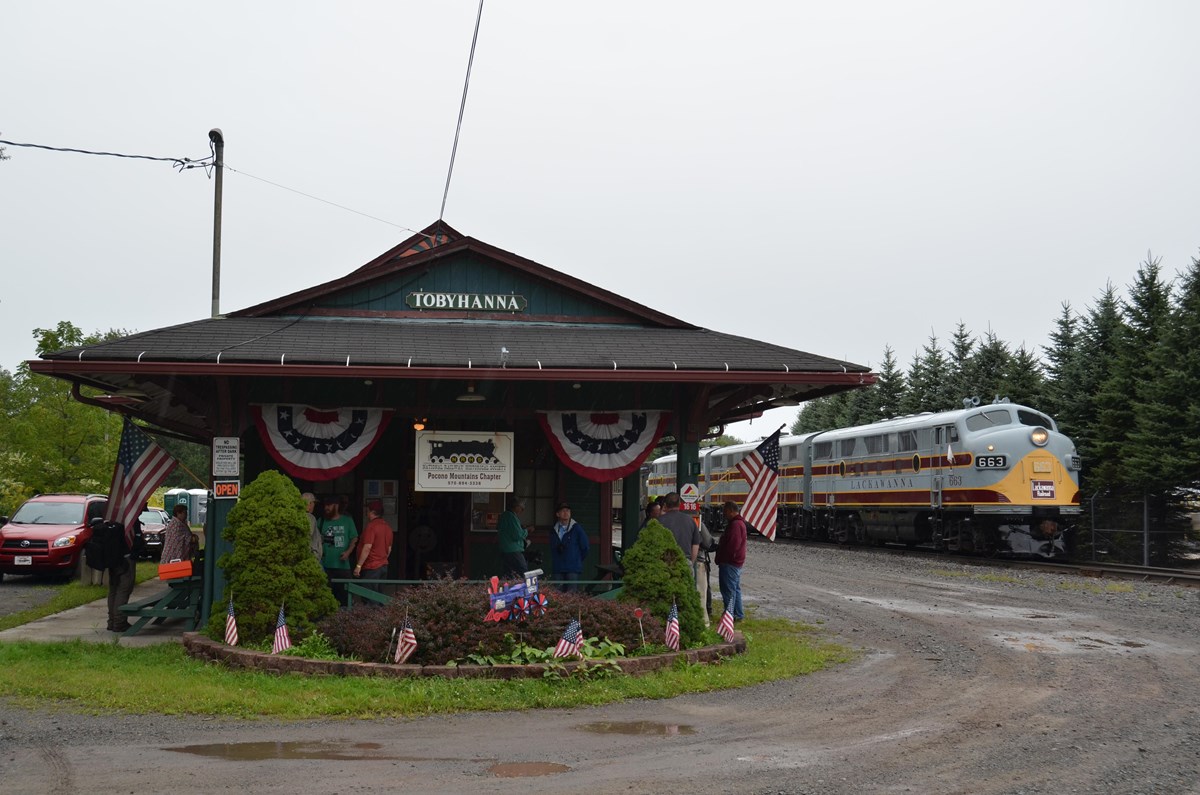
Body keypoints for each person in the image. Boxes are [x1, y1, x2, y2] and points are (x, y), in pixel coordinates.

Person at [353, 499, 393, 601]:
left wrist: (358, 566)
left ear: (372, 512)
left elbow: (367, 547)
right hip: (383, 566)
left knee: (369, 598)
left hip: (371, 567)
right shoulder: (387, 527)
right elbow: (389, 549)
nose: (366, 512)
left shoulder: (371, 526)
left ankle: (370, 616)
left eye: (368, 510)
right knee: (379, 596)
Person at [321, 496, 358, 604]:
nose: (326, 508)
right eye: (325, 505)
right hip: (325, 565)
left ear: (336, 506)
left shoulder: (347, 520)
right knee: (326, 597)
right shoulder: (322, 521)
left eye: (329, 505)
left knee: (345, 597)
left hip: (343, 566)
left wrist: (348, 552)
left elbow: (354, 538)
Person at [716, 501, 747, 621]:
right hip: (735, 563)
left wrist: (724, 557)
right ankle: (738, 614)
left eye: (725, 511)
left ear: (730, 511)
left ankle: (729, 615)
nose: (724, 514)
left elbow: (733, 545)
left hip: (730, 563)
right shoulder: (739, 524)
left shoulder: (735, 525)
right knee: (735, 590)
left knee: (728, 591)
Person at [550, 502, 589, 592]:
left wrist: (576, 558)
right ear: (557, 514)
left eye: (568, 511)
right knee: (557, 593)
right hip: (558, 567)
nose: (566, 513)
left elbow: (585, 547)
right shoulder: (553, 530)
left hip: (572, 567)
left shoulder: (577, 528)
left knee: (571, 595)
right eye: (563, 511)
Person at [106, 518, 136, 633]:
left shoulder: (114, 518)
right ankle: (119, 622)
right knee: (123, 589)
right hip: (125, 560)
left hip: (113, 560)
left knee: (113, 590)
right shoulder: (130, 519)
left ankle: (112, 621)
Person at [658, 492, 700, 568]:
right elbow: (695, 545)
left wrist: (662, 513)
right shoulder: (690, 520)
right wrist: (691, 562)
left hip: (665, 563)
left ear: (665, 505)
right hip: (685, 561)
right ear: (680, 504)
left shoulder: (659, 521)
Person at [497, 496, 530, 576]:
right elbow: (517, 535)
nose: (522, 509)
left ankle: (508, 588)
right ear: (516, 506)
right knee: (523, 572)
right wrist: (527, 530)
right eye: (521, 507)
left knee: (508, 574)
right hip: (513, 550)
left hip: (505, 550)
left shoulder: (504, 516)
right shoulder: (511, 517)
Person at [301, 492, 322, 564]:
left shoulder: (297, 515)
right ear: (309, 504)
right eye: (313, 503)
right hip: (311, 558)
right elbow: (307, 535)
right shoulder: (310, 517)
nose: (314, 506)